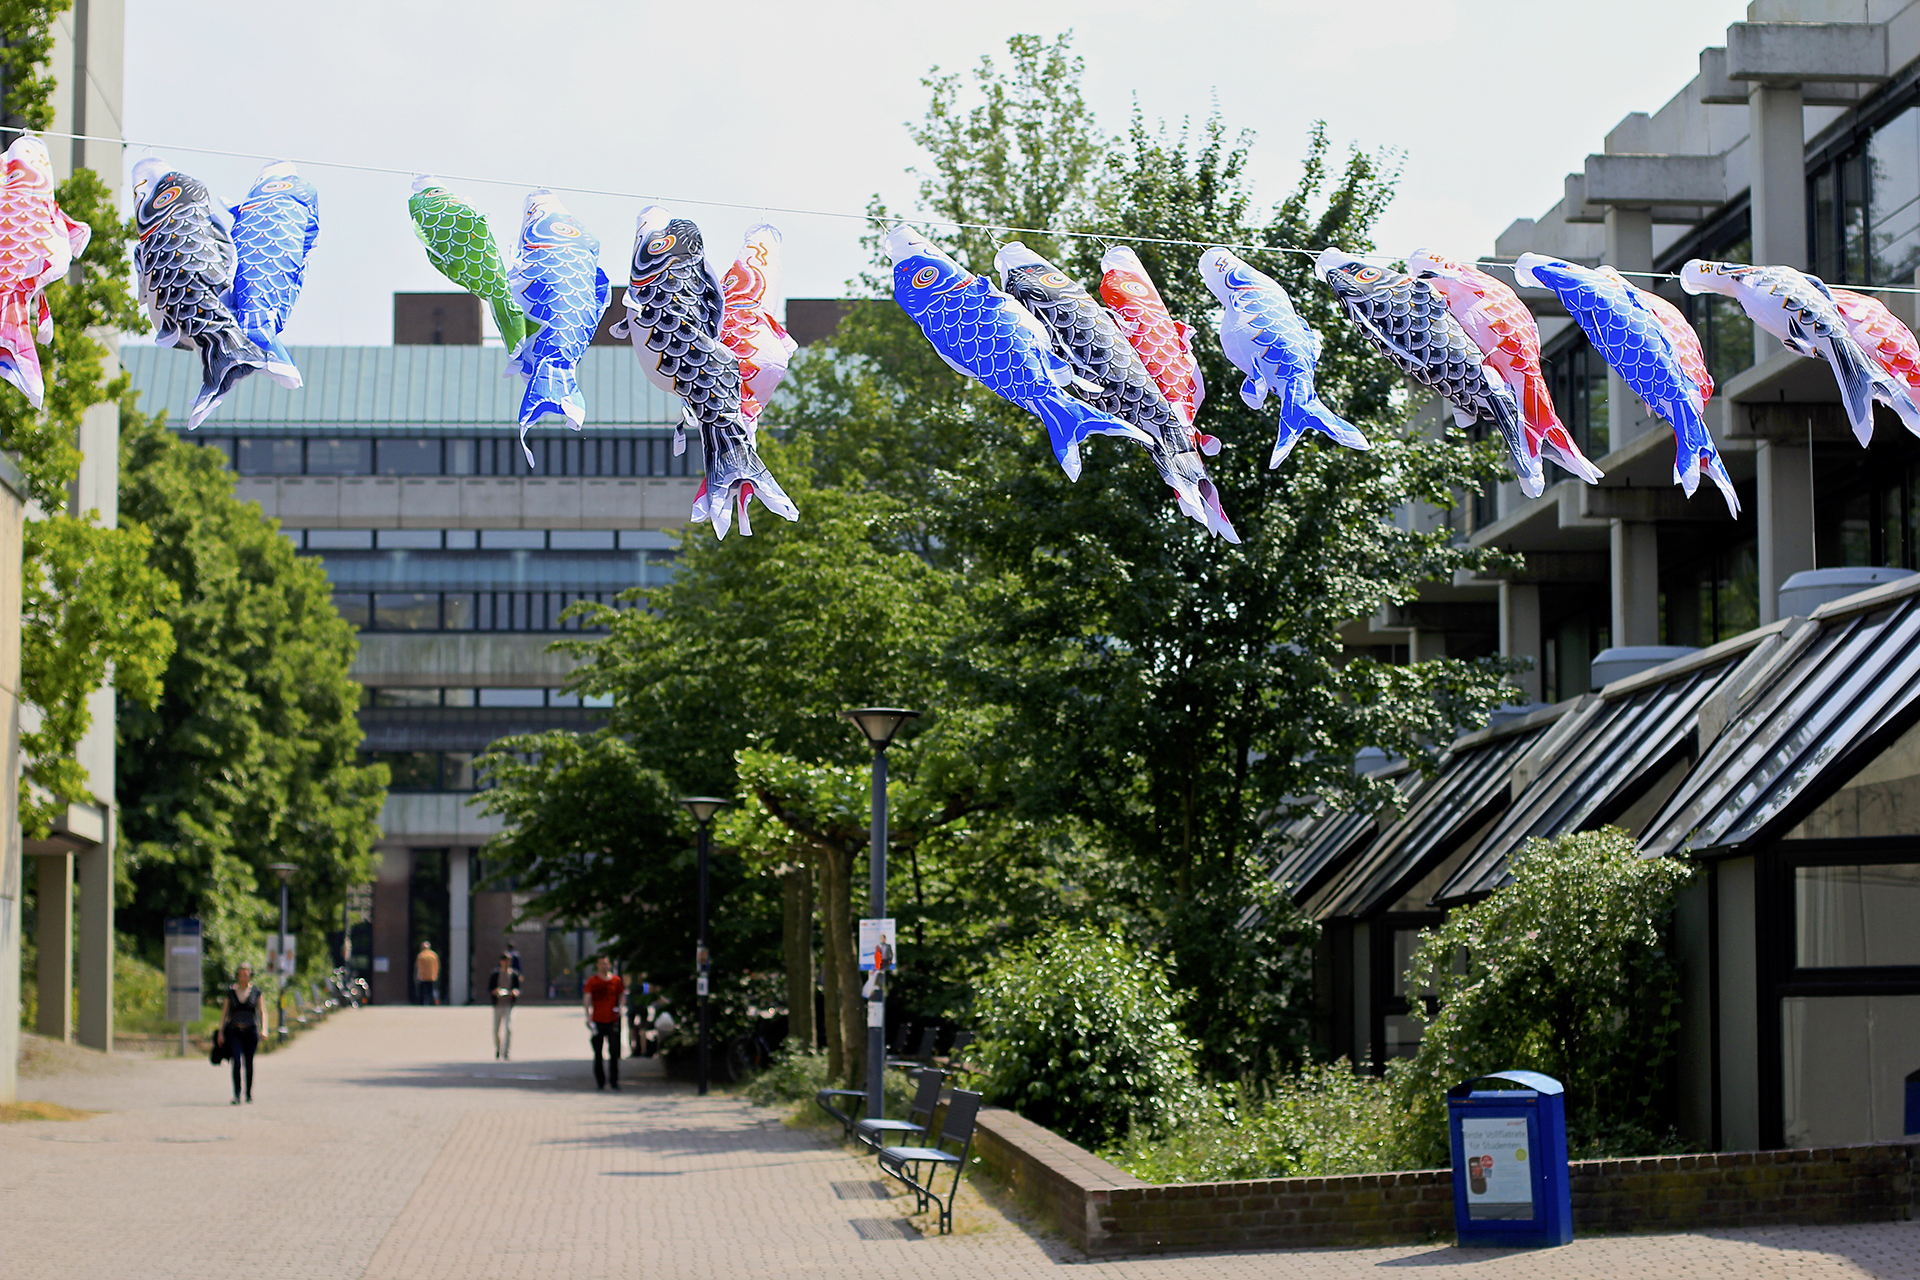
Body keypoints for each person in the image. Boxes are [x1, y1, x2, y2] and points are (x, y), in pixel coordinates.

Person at [219, 963, 263, 1105]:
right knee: (236, 1062)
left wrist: (264, 1028)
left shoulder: (256, 992)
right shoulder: (231, 992)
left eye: (246, 974)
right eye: (241, 974)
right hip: (234, 1030)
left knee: (249, 1062)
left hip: (250, 1030)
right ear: (237, 975)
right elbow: (224, 1013)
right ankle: (236, 1094)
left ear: (250, 975)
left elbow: (262, 1011)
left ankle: (248, 1093)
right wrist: (220, 1032)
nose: (244, 977)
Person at [582, 955, 625, 1090]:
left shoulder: (616, 981)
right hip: (598, 1020)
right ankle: (600, 1081)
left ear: (610, 965)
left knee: (614, 1052)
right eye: (601, 964)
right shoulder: (593, 981)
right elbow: (587, 998)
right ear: (597, 965)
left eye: (606, 963)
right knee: (598, 1052)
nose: (603, 966)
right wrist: (588, 1015)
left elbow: (622, 995)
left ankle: (614, 1081)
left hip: (613, 1020)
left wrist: (621, 1008)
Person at [487, 952, 521, 1060]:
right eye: (504, 960)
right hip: (498, 1004)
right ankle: (498, 1049)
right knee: (496, 1030)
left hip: (508, 1004)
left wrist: (515, 992)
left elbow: (517, 988)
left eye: (508, 961)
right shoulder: (495, 974)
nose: (506, 963)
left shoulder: (514, 975)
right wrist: (495, 991)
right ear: (501, 961)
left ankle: (506, 1052)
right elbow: (490, 988)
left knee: (509, 1028)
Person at [415, 940, 440, 1005]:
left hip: (423, 976)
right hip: (432, 976)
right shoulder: (434, 955)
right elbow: (437, 966)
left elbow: (418, 966)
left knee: (423, 991)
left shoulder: (421, 955)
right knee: (432, 990)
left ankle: (423, 1003)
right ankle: (432, 1003)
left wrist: (418, 975)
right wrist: (436, 974)